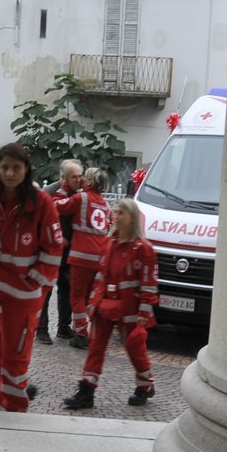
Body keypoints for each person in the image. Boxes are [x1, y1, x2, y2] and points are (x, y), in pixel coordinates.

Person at [0, 143, 63, 411]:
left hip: (23, 289)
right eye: (4, 167)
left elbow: (53, 247)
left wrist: (37, 278)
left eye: (15, 168)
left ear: (26, 169)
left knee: (17, 354)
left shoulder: (41, 204)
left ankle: (13, 404)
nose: (9, 173)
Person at [61, 198, 158, 410]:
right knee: (96, 348)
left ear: (132, 217)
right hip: (105, 306)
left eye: (121, 212)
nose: (115, 216)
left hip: (130, 309)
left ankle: (144, 385)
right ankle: (86, 391)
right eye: (115, 212)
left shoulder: (144, 249)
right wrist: (93, 303)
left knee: (135, 349)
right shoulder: (108, 243)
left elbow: (149, 281)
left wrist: (144, 309)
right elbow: (102, 275)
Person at [53, 167, 113, 349]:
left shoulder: (81, 198)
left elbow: (57, 205)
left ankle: (80, 334)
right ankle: (96, 332)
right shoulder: (106, 205)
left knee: (77, 296)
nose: (82, 180)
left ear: (90, 181)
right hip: (99, 258)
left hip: (81, 256)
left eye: (84, 177)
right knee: (89, 297)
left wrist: (63, 187)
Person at [35, 159, 83, 345]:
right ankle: (41, 329)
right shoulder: (48, 194)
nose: (78, 180)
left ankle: (64, 326)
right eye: (74, 177)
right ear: (63, 177)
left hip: (70, 250)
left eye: (80, 176)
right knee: (45, 291)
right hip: (49, 250)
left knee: (67, 287)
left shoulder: (80, 193)